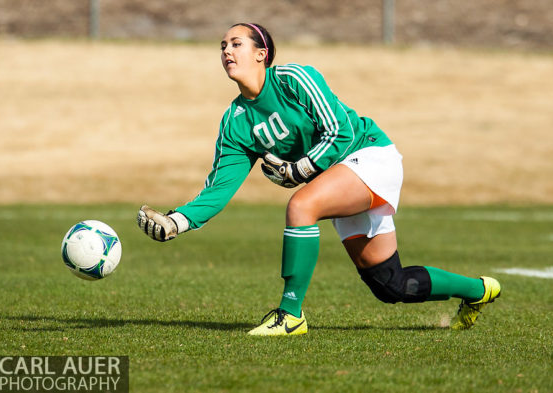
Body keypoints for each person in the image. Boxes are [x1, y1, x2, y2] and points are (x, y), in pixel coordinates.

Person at [137, 22, 501, 336]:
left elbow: (340, 131)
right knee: (391, 285)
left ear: (263, 53)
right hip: (338, 178)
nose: (226, 51)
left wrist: (300, 170)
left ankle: (290, 315)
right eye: (222, 46)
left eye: (236, 44)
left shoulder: (294, 79)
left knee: (302, 205)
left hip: (370, 154)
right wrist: (177, 221)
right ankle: (479, 290)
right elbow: (219, 189)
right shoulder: (235, 122)